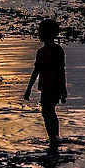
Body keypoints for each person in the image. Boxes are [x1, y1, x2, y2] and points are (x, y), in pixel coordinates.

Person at [24, 18, 67, 147]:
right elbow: (61, 72)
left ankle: (53, 138)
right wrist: (63, 90)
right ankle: (55, 137)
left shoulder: (42, 52)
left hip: (49, 87)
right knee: (50, 111)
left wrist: (28, 89)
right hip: (54, 87)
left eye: (40, 32)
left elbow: (36, 71)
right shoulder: (58, 50)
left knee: (47, 112)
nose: (38, 34)